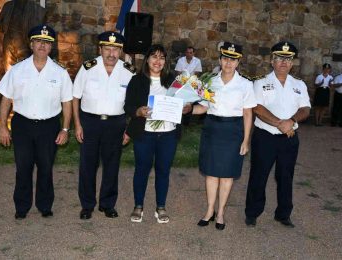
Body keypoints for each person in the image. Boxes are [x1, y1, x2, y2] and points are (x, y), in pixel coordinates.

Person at [0, 24, 73, 219]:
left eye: (47, 43)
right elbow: (6, 100)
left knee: (46, 167)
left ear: (51, 47)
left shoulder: (60, 73)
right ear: (31, 44)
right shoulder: (17, 69)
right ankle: (21, 207)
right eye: (39, 41)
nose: (42, 46)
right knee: (23, 167)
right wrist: (3, 127)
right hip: (23, 125)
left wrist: (65, 129)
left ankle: (45, 205)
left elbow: (67, 103)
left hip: (49, 126)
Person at [189, 42, 256, 230]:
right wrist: (183, 110)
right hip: (212, 129)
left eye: (233, 59)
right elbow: (203, 107)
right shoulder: (210, 81)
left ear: (238, 62)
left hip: (233, 131)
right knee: (211, 173)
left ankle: (220, 213)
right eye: (225, 58)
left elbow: (248, 113)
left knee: (227, 175)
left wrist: (245, 140)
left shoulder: (245, 84)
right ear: (220, 60)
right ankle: (209, 211)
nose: (228, 63)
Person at [245, 42, 311, 228]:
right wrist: (279, 123)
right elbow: (257, 107)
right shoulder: (260, 82)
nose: (283, 62)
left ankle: (283, 214)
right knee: (259, 175)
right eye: (280, 58)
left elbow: (305, 108)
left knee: (286, 176)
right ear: (272, 61)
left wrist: (291, 122)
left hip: (289, 139)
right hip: (265, 137)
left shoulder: (299, 84)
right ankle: (252, 213)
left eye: (287, 59)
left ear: (292, 63)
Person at [124, 44, 192, 224]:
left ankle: (160, 207)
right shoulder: (137, 80)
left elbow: (186, 104)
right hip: (145, 134)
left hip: (168, 135)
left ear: (165, 62)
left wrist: (187, 108)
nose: (157, 61)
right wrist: (138, 111)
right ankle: (138, 206)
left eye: (161, 58)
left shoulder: (174, 81)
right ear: (147, 59)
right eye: (154, 56)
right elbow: (128, 106)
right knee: (142, 170)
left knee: (163, 171)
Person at [73, 31, 135, 220]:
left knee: (111, 165)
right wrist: (77, 125)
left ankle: (107, 204)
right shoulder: (87, 68)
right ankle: (87, 205)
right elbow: (75, 98)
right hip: (90, 122)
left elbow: (133, 103)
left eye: (115, 49)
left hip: (116, 124)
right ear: (100, 49)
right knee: (87, 166)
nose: (111, 53)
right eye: (107, 48)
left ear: (121, 51)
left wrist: (129, 128)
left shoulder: (128, 71)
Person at [0, 0, 46, 69]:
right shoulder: (8, 6)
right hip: (8, 46)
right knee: (9, 75)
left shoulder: (36, 8)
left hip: (25, 47)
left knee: (25, 75)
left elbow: (39, 32)